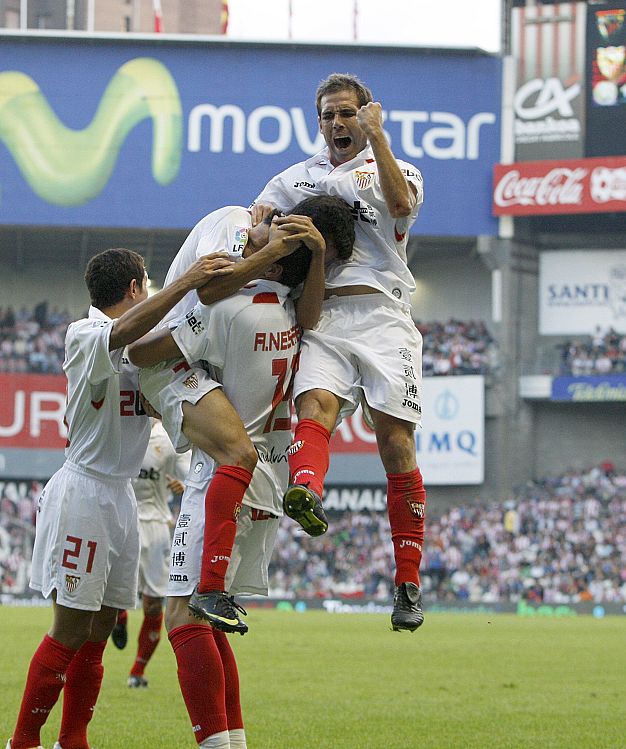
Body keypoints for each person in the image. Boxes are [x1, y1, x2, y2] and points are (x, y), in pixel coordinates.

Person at [128, 204, 345, 749]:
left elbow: (143, 351)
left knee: (181, 616)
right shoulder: (295, 310)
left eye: (273, 230)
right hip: (266, 478)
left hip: (222, 476)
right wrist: (305, 255)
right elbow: (310, 306)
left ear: (274, 263)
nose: (259, 222)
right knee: (203, 618)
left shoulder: (232, 307)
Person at [6, 248, 234, 749]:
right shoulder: (85, 334)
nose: (151, 291)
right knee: (70, 626)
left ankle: (74, 739)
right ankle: (22, 741)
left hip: (122, 497)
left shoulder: (141, 349)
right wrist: (189, 281)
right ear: (135, 288)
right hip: (84, 491)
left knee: (103, 623)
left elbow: (156, 382)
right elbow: (122, 335)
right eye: (148, 284)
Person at [251, 72, 427, 631]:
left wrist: (381, 139)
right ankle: (305, 492)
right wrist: (266, 234)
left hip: (383, 315)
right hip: (323, 311)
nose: (336, 123)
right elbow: (256, 217)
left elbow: (400, 204)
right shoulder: (297, 177)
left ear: (366, 113)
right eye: (327, 114)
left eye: (346, 113)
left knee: (394, 439)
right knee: (315, 408)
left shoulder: (396, 167)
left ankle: (407, 583)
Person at [110, 419, 191, 688]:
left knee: (154, 603)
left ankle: (137, 672)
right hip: (124, 519)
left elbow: (191, 474)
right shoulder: (120, 427)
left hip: (156, 525)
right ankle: (119, 617)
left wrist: (183, 483)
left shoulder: (168, 438)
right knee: (113, 593)